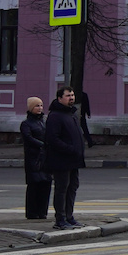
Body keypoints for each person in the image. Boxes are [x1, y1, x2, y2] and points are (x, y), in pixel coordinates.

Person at [43, 86, 87, 229]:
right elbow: (52, 139)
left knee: (72, 187)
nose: (71, 98)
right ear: (59, 98)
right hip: (61, 160)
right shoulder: (55, 116)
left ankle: (69, 217)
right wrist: (70, 149)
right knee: (62, 189)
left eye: (72, 95)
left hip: (73, 159)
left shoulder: (71, 114)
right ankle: (60, 219)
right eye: (68, 95)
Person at [21, 97, 51, 220]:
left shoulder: (44, 121)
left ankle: (42, 211)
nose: (40, 108)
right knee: (34, 185)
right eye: (37, 106)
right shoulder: (26, 123)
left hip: (45, 157)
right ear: (31, 108)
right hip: (33, 158)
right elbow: (28, 138)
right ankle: (32, 212)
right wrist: (42, 145)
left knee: (46, 184)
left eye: (41, 105)